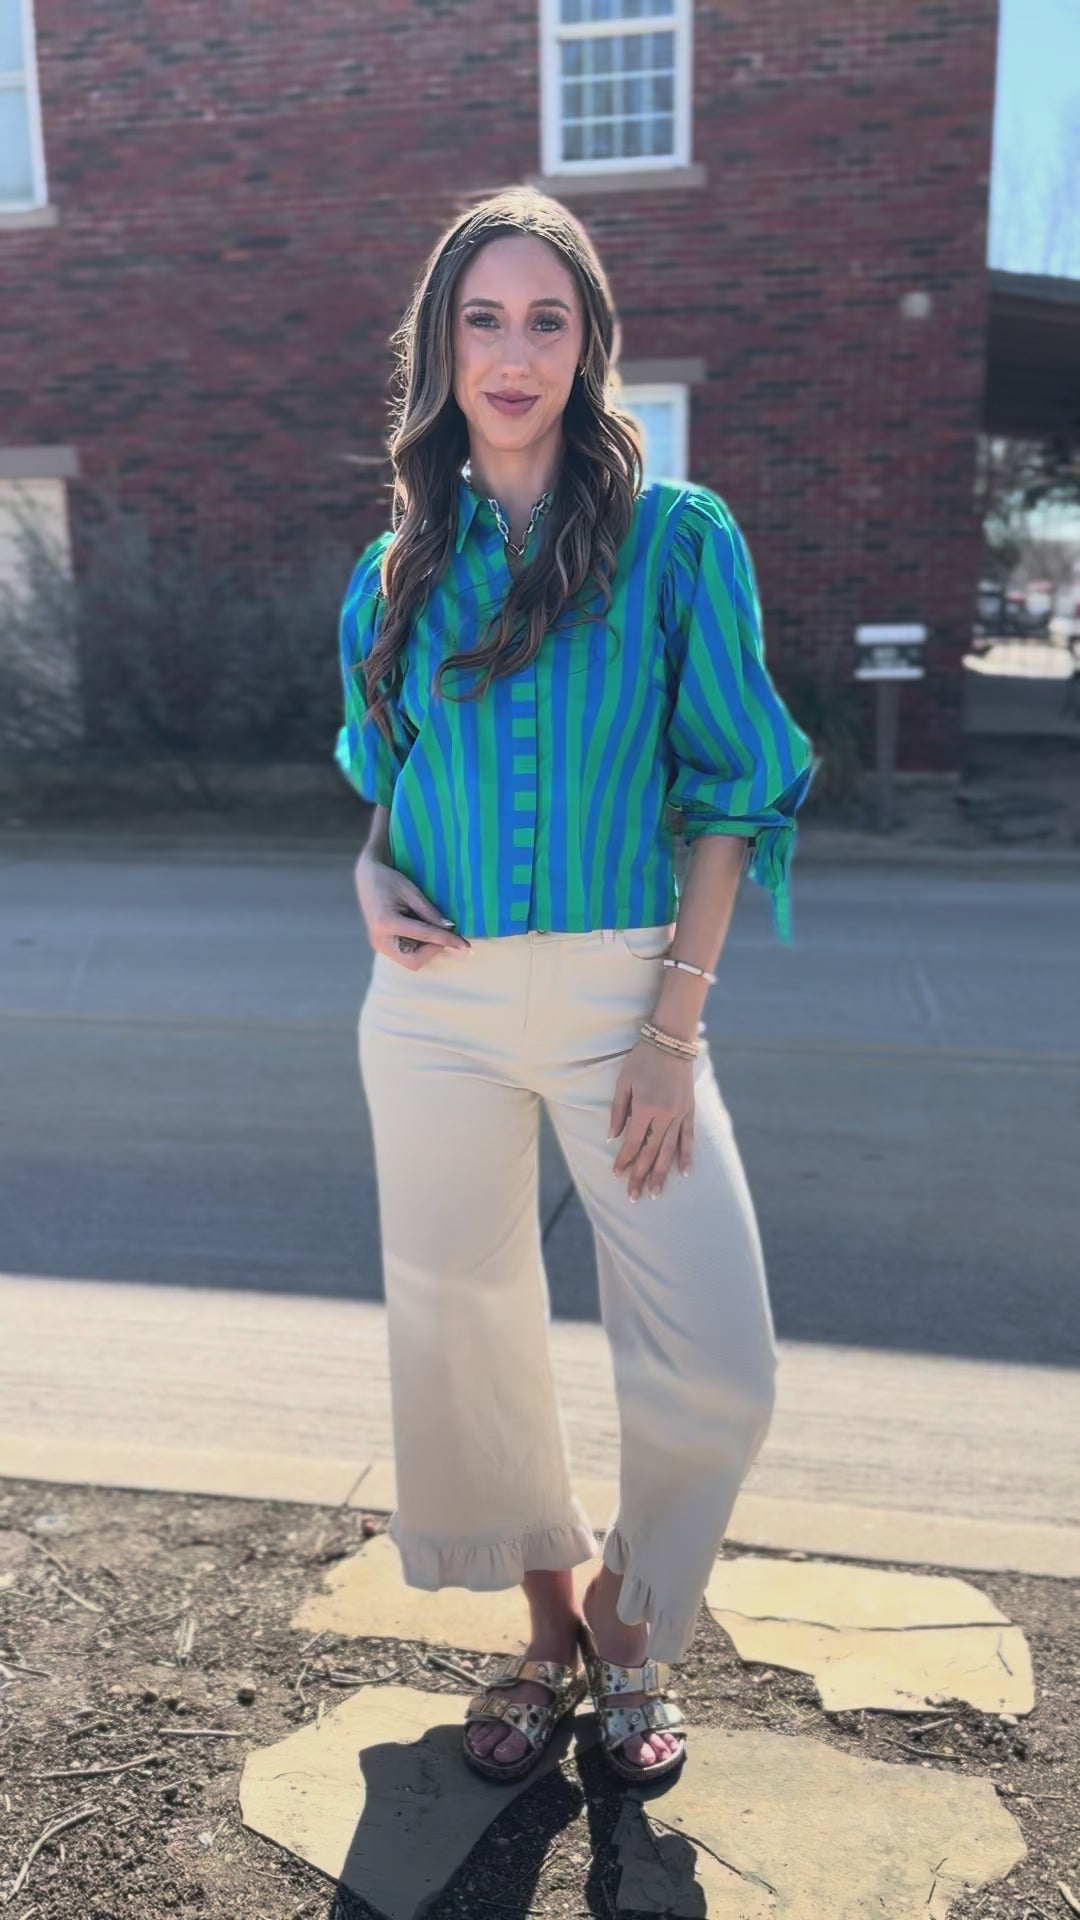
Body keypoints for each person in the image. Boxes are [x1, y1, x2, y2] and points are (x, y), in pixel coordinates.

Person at [335, 185, 815, 1785]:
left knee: (722, 1363)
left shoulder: (679, 540)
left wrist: (675, 1028)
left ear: (592, 343)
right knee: (464, 1334)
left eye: (550, 319)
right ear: (443, 345)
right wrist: (364, 872)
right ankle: (544, 1637)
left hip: (630, 997)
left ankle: (633, 1622)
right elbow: (384, 783)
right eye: (486, 318)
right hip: (437, 1011)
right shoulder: (394, 565)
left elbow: (737, 790)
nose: (516, 351)